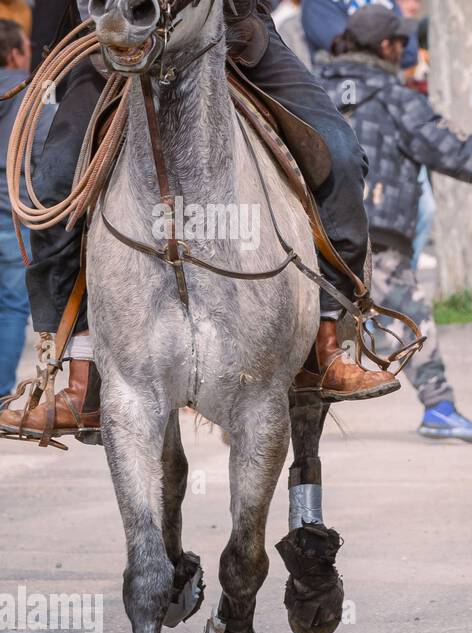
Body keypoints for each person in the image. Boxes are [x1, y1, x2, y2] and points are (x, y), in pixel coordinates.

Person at [0, 0, 402, 443]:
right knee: (55, 179)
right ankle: (78, 377)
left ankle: (329, 340)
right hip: (110, 43)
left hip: (233, 36)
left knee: (340, 154)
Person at [318, 5, 472, 443]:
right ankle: (439, 409)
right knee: (410, 318)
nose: (405, 50)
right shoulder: (397, 98)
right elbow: (456, 152)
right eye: (401, 42)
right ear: (387, 47)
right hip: (376, 238)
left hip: (307, 234)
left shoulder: (309, 88)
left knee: (302, 324)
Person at [0, 18, 40, 398]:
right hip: (15, 221)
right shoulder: (31, 97)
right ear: (14, 53)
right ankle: (0, 393)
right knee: (12, 309)